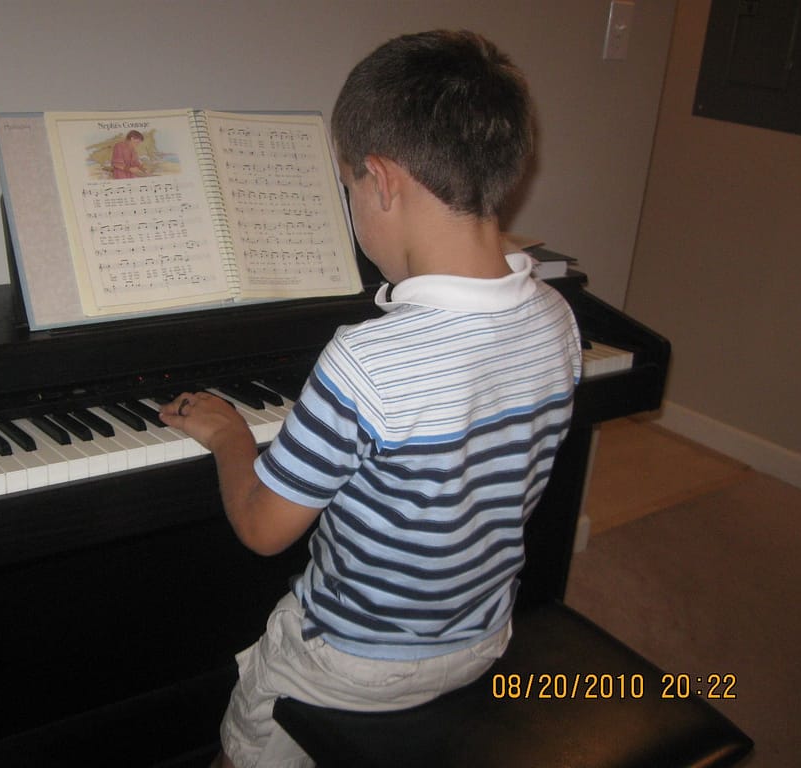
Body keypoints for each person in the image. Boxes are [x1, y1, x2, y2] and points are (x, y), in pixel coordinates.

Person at [159, 29, 582, 768]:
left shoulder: (367, 360)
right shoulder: (555, 318)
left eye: (348, 186)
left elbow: (263, 531)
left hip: (351, 665)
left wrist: (230, 435)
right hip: (482, 636)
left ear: (381, 181)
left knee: (250, 727)